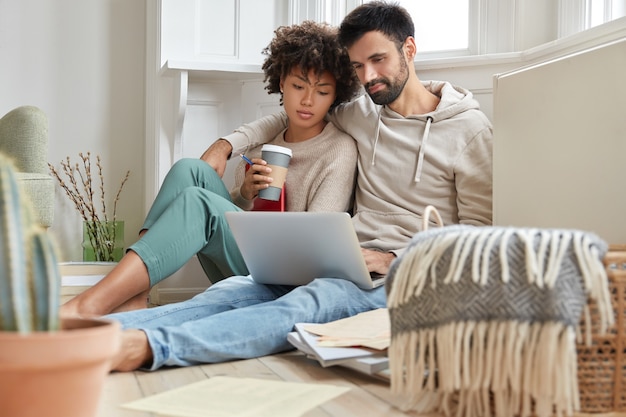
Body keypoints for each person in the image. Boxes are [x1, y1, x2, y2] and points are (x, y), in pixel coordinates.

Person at [108, 1, 493, 372]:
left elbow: (480, 237)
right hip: (342, 260)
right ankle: (107, 331)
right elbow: (290, 114)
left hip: (404, 275)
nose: (369, 77)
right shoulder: (362, 112)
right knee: (232, 291)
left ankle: (147, 348)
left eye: (379, 60)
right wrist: (227, 144)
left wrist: (392, 258)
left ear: (409, 49)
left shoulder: (469, 131)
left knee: (304, 304)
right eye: (358, 66)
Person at [60, 21, 360, 318]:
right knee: (189, 170)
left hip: (287, 281)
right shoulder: (267, 141)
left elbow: (316, 249)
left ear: (336, 95)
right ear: (282, 82)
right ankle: (136, 292)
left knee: (198, 203)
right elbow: (239, 216)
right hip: (249, 260)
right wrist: (244, 194)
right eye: (298, 86)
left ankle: (90, 304)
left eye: (322, 91)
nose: (308, 100)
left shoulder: (339, 150)